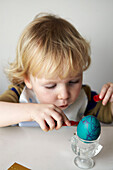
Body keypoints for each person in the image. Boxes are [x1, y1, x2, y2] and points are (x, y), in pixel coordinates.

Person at [0, 13, 113, 131]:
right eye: (51, 86)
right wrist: (31, 111)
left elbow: (109, 116)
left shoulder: (84, 96)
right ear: (28, 79)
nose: (64, 95)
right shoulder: (20, 94)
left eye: (73, 81)